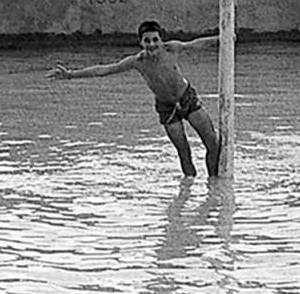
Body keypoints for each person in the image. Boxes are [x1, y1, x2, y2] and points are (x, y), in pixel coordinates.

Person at [48, 20, 220, 177]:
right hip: (166, 107)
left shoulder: (171, 48)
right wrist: (71, 75)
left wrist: (222, 37)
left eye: (155, 40)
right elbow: (105, 70)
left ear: (161, 40)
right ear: (141, 42)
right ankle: (190, 188)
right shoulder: (137, 61)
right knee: (184, 151)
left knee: (212, 143)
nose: (152, 45)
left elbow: (197, 44)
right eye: (147, 41)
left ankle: (214, 185)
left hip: (186, 98)